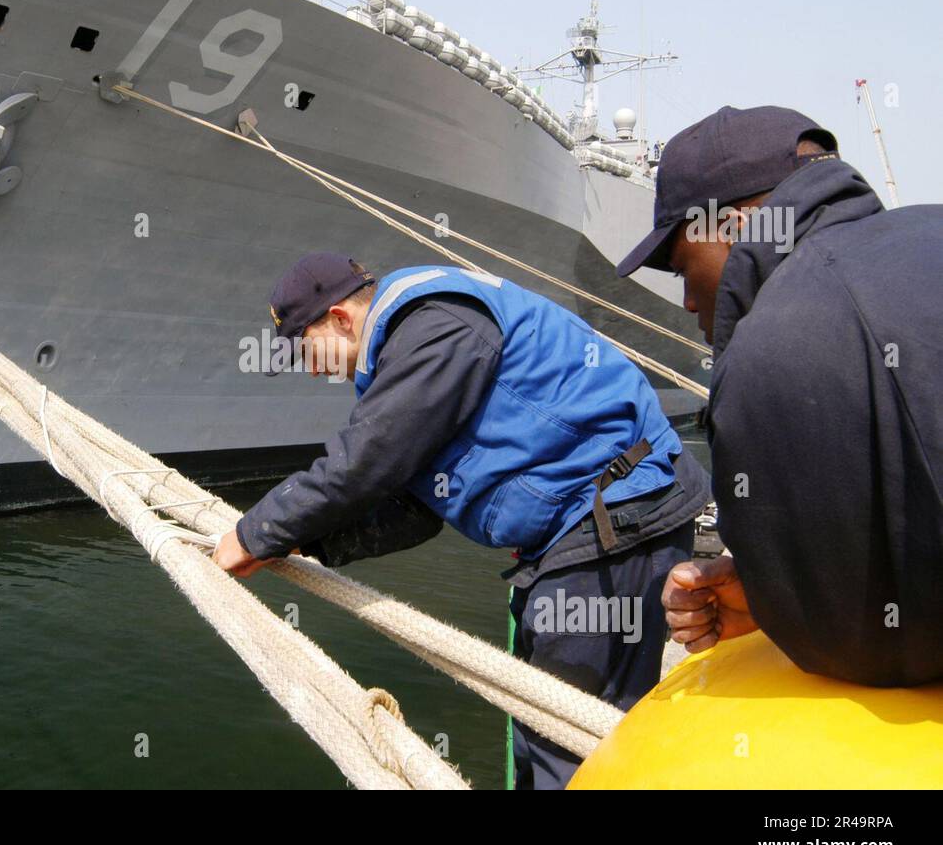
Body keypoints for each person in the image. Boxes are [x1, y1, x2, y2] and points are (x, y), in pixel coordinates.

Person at [212, 253, 711, 788]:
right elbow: (414, 505)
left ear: (339, 318)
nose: (310, 369)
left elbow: (366, 460)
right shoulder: (414, 344)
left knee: (568, 741)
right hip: (585, 530)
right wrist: (303, 545)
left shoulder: (433, 325)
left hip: (613, 521)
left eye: (305, 349)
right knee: (543, 726)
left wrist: (252, 533)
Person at [616, 105, 943, 686]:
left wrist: (789, 605)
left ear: (737, 226)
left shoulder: (769, 346)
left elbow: (868, 650)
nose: (690, 301)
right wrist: (789, 581)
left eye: (682, 266)